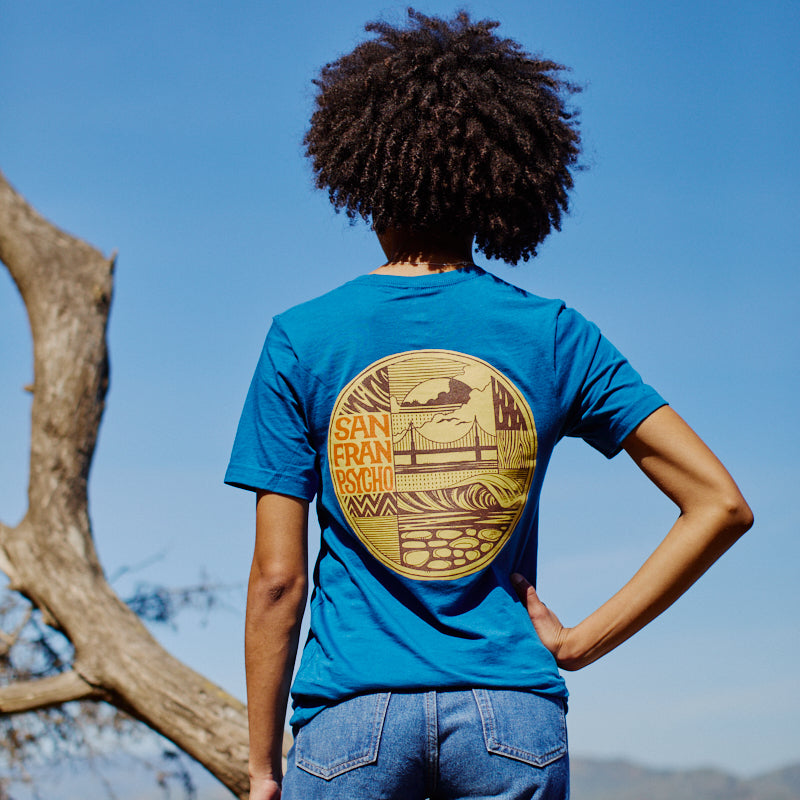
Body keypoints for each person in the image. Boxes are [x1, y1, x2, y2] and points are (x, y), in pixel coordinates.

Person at [225, 10, 752, 800]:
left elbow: (277, 581)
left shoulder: (303, 339)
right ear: (499, 182)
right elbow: (719, 505)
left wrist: (264, 766)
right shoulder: (554, 335)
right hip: (512, 719)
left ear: (362, 171)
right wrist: (578, 644)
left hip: (349, 719)